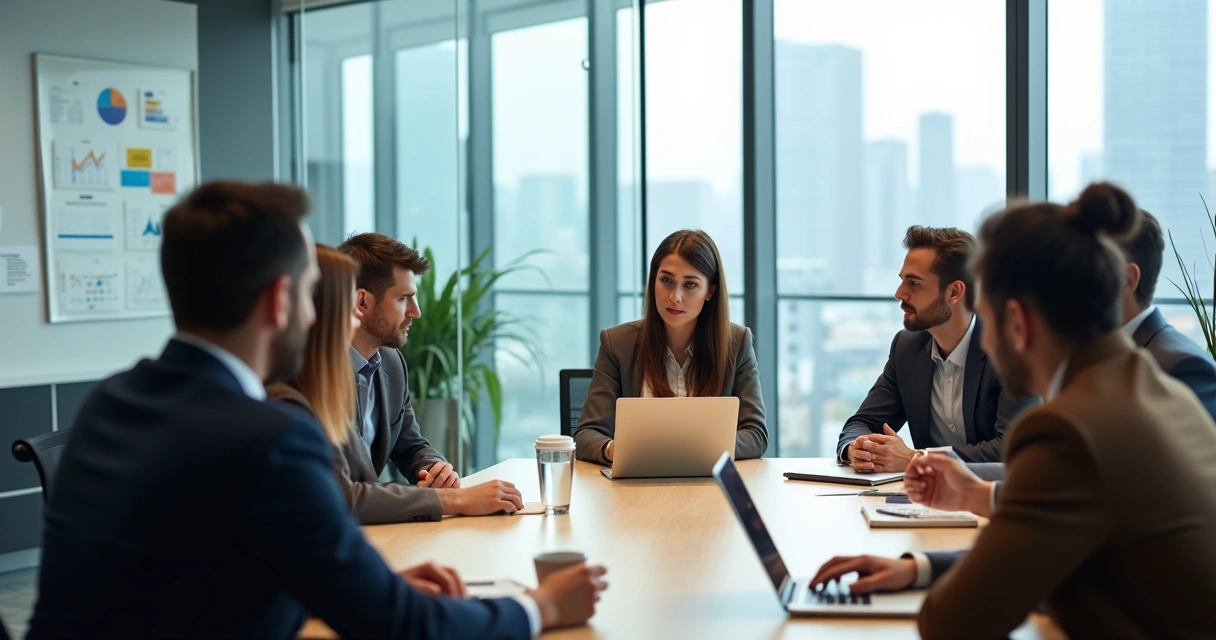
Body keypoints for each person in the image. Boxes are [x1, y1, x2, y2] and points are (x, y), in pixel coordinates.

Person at [27, 181, 607, 639]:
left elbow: (194, 577)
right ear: (281, 301)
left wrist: (351, 582)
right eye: (311, 294)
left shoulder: (111, 401)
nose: (324, 317)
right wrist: (539, 607)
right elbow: (396, 626)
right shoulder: (272, 436)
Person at [810, 183, 1216, 639]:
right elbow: (1059, 543)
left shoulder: (1069, 431)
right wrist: (921, 565)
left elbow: (953, 622)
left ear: (1018, 323)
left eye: (987, 316)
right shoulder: (1156, 392)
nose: (983, 339)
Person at [268, 244, 525, 522]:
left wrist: (433, 469)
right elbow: (341, 495)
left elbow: (409, 444)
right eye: (404, 299)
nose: (416, 312)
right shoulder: (298, 385)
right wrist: (454, 499)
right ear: (361, 302)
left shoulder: (391, 362)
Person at [967, 209, 1216, 483]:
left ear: (1124, 280)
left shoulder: (1182, 367)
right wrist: (964, 483)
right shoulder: (1090, 369)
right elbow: (1068, 474)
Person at [835, 226, 1036, 473]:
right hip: (927, 502)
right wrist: (858, 448)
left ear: (954, 292)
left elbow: (1010, 450)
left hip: (996, 501)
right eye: (902, 281)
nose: (899, 294)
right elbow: (863, 422)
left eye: (915, 283)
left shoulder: (1012, 351)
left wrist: (916, 458)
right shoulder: (906, 348)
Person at [574, 229, 767, 464]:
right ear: (654, 280)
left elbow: (756, 435)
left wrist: (696, 450)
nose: (675, 296)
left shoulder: (737, 343)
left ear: (710, 291)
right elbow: (586, 435)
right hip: (636, 489)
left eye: (690, 285)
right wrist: (616, 450)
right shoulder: (617, 344)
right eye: (666, 280)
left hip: (711, 487)